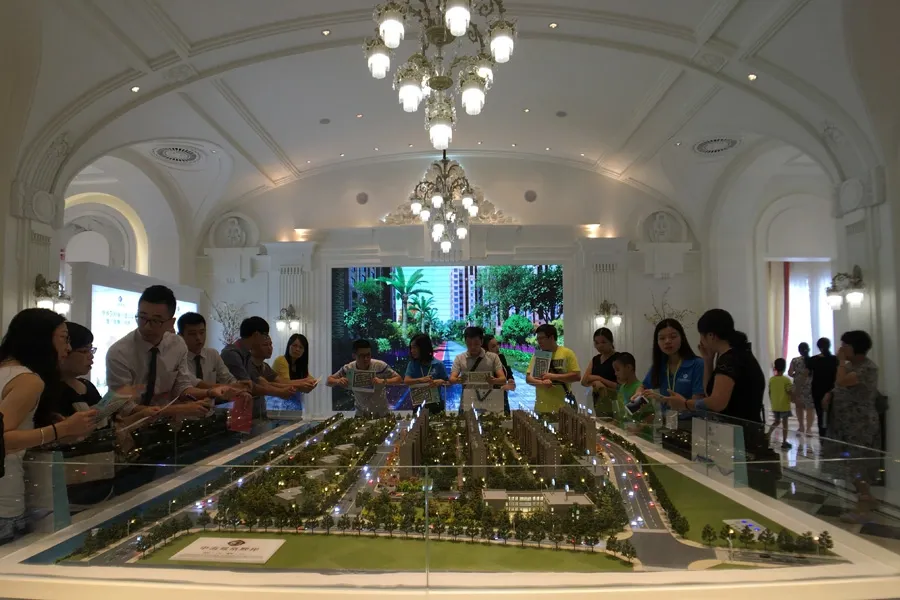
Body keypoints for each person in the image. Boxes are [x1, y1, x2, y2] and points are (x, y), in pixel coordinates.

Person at [0, 309, 98, 543]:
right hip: (6, 498)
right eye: (64, 338)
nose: (67, 347)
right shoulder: (28, 380)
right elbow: (3, 439)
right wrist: (62, 430)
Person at [34, 323, 120, 508]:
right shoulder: (47, 391)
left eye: (91, 350)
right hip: (67, 488)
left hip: (103, 480)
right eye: (83, 351)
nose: (90, 356)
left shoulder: (88, 386)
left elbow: (105, 425)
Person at [106, 285, 225, 419]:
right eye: (142, 317)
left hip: (167, 424)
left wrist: (210, 392)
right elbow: (123, 406)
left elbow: (182, 386)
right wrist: (178, 409)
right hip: (131, 424)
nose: (147, 326)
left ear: (171, 322)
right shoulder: (119, 353)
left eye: (156, 320)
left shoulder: (177, 345)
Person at [665, 309, 766, 446]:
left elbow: (717, 402)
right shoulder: (736, 354)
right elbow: (710, 392)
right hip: (742, 432)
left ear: (711, 335)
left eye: (701, 335)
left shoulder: (730, 360)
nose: (700, 341)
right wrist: (708, 360)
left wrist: (685, 404)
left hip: (741, 436)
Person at [822, 330, 881, 522]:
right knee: (851, 465)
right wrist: (830, 393)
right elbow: (838, 385)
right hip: (844, 425)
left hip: (860, 425)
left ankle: (862, 510)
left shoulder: (867, 368)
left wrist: (840, 363)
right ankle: (867, 498)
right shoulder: (849, 366)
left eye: (845, 346)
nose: (841, 349)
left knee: (859, 466)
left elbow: (842, 381)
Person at [221, 317, 312, 418]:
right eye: (265, 336)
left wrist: (303, 383)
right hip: (235, 414)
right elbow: (248, 386)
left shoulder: (246, 355)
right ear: (256, 335)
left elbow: (263, 382)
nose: (268, 345)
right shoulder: (232, 354)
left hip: (252, 413)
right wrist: (280, 392)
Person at [631, 319, 704, 427]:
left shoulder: (697, 364)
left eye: (673, 337)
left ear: (682, 338)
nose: (667, 341)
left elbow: (698, 403)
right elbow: (643, 386)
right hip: (666, 424)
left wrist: (666, 400)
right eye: (662, 338)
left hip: (691, 425)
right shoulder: (659, 366)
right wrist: (638, 394)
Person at [176, 312, 251, 404]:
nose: (198, 338)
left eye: (202, 332)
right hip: (187, 410)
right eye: (192, 334)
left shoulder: (212, 354)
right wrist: (236, 387)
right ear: (180, 336)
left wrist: (240, 391)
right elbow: (198, 384)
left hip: (211, 410)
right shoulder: (178, 358)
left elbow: (228, 378)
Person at [328, 339, 401, 417]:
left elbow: (399, 379)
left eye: (368, 355)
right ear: (354, 355)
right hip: (360, 415)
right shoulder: (349, 368)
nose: (366, 359)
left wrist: (383, 381)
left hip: (382, 414)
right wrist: (338, 381)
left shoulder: (380, 366)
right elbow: (329, 380)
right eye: (362, 356)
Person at [525, 324, 580, 415]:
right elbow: (528, 378)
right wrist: (542, 383)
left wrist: (553, 376)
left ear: (551, 338)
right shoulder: (538, 355)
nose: (539, 341)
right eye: (538, 339)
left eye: (542, 338)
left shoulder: (567, 353)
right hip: (541, 407)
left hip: (563, 408)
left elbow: (577, 376)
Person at [449, 327, 507, 413]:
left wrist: (494, 380)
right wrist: (459, 380)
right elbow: (451, 379)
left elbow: (503, 379)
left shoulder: (493, 357)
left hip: (488, 401)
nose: (472, 347)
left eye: (476, 344)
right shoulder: (459, 358)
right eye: (469, 344)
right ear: (465, 342)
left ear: (481, 341)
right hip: (467, 402)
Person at [404, 334, 449, 414]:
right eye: (411, 348)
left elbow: (448, 383)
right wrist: (420, 380)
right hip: (418, 404)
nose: (412, 351)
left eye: (415, 347)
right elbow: (406, 381)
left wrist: (441, 382)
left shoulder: (438, 364)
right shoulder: (412, 364)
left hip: (436, 405)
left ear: (423, 347)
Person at [581, 328, 618, 415]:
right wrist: (595, 382)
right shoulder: (595, 359)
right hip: (598, 403)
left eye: (603, 342)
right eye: (597, 343)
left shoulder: (618, 358)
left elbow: (621, 386)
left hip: (614, 403)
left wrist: (599, 379)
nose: (600, 346)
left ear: (611, 342)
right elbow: (584, 381)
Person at [808, 337, 839, 436]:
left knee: (821, 416)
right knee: (833, 416)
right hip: (832, 389)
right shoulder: (835, 359)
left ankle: (823, 437)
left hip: (817, 391)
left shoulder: (813, 360)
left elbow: (808, 374)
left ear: (819, 347)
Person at [482, 334, 516, 414]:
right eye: (493, 346)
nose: (497, 348)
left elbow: (508, 371)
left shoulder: (501, 357)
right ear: (485, 350)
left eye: (497, 344)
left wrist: (511, 380)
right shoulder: (483, 363)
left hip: (503, 398)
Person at [788, 342, 815, 434]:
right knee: (810, 409)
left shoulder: (795, 360)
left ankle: (801, 426)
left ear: (799, 350)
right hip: (810, 386)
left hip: (798, 386)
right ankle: (809, 429)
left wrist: (796, 375)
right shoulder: (812, 360)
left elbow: (790, 373)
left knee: (799, 407)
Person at [767, 358, 793, 449]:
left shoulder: (772, 379)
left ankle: (768, 434)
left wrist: (772, 401)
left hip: (775, 405)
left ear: (775, 367)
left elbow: (770, 392)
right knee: (785, 423)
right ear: (784, 368)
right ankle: (784, 442)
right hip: (784, 405)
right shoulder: (786, 380)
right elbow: (789, 391)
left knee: (776, 421)